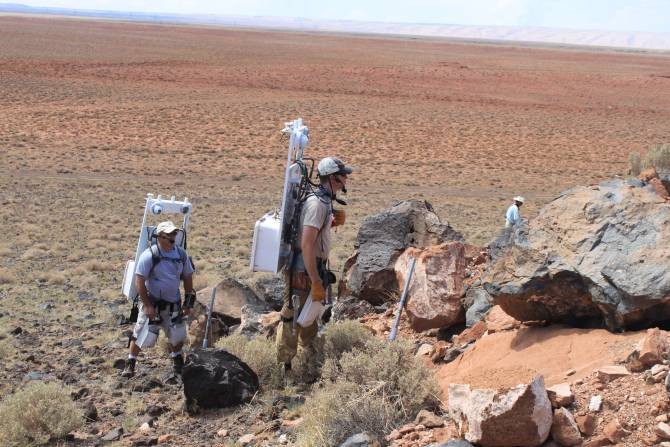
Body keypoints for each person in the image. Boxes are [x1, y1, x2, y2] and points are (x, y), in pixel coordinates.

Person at [276, 156, 352, 375]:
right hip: (303, 271)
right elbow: (307, 244)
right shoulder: (317, 204)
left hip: (311, 269)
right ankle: (286, 371)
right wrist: (316, 281)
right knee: (292, 317)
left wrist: (331, 222)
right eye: (342, 175)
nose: (346, 178)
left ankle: (308, 363)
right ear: (332, 178)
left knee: (309, 317)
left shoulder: (324, 201)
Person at [121, 220, 195, 378]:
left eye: (174, 233)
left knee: (176, 334)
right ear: (160, 237)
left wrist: (188, 301)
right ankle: (130, 363)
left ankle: (177, 362)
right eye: (169, 234)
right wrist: (147, 305)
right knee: (140, 333)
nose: (173, 237)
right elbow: (139, 281)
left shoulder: (181, 254)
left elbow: (188, 277)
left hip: (173, 303)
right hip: (152, 303)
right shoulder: (149, 255)